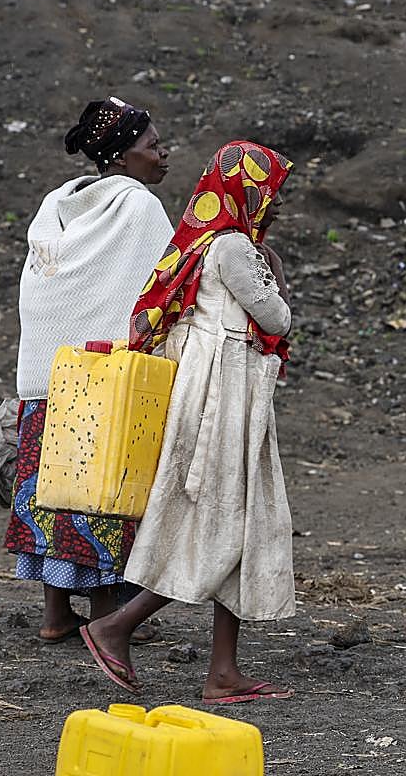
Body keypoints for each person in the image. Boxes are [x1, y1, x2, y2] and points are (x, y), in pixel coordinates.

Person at [80, 141, 297, 704]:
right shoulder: (232, 248)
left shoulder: (202, 243)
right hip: (225, 397)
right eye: (270, 192)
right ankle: (115, 626)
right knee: (222, 524)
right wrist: (276, 274)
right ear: (247, 191)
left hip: (218, 391)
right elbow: (276, 316)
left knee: (236, 522)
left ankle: (223, 671)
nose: (275, 205)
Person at [4, 97, 172, 643]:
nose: (163, 153)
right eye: (152, 145)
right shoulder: (137, 207)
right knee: (99, 490)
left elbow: (49, 287)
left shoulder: (57, 205)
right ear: (122, 157)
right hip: (103, 378)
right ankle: (105, 615)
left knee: (50, 489)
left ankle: (56, 616)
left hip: (46, 372)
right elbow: (159, 288)